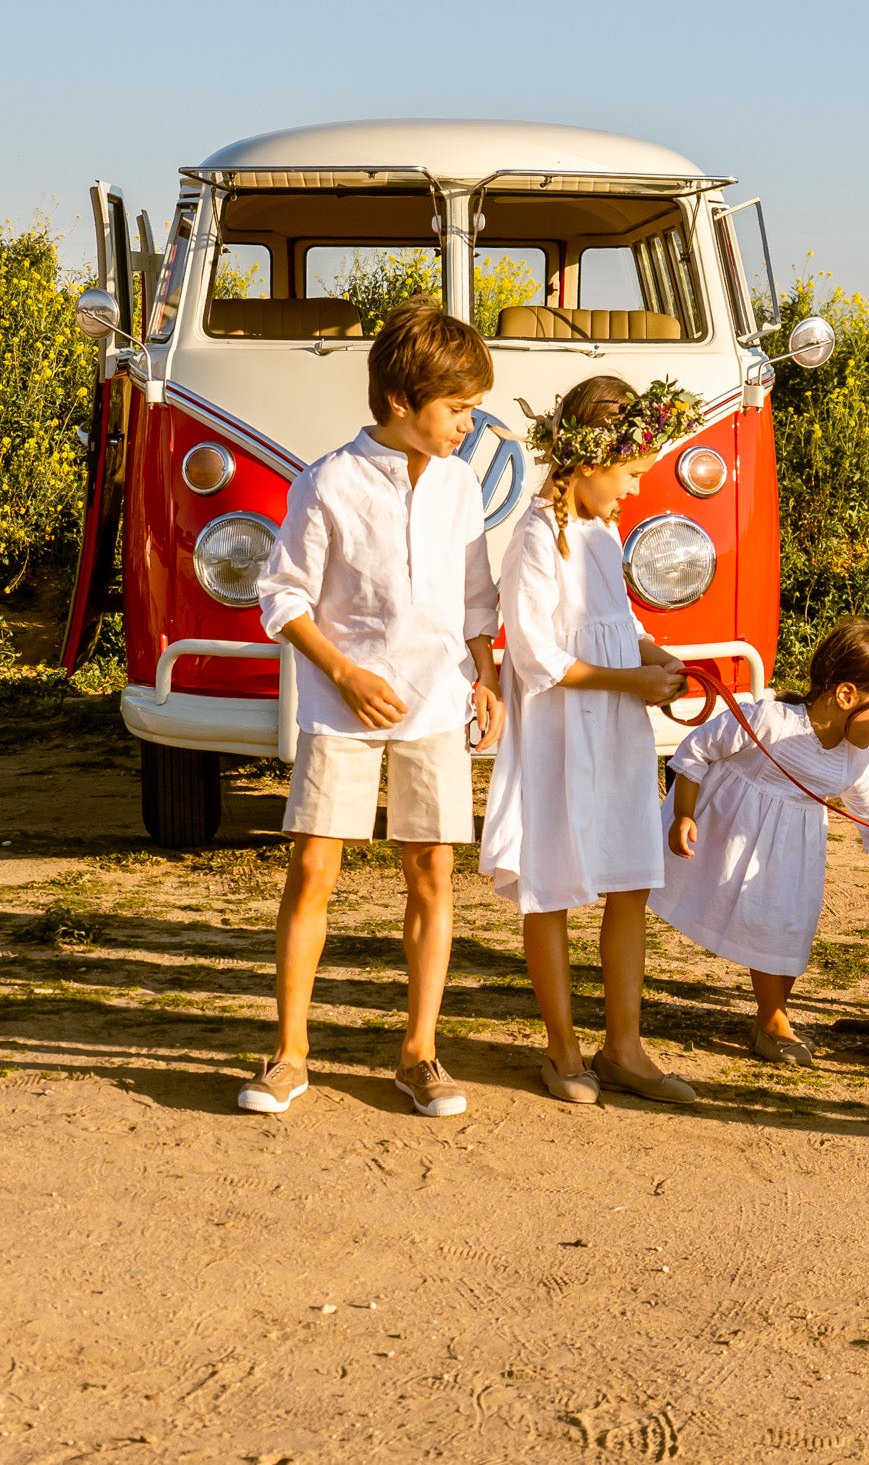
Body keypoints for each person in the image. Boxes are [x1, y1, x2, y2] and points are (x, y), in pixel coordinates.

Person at [237, 295, 505, 1120]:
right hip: (341, 703)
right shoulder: (328, 482)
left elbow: (474, 598)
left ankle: (420, 1052)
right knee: (314, 867)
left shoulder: (461, 485)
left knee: (432, 869)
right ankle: (289, 1052)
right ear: (401, 402)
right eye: (458, 408)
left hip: (436, 701)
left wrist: (486, 675)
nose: (467, 423)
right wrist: (346, 674)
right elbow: (280, 598)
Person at [482, 375, 702, 1106]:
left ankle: (625, 1045)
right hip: (559, 732)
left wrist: (651, 653)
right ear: (593, 457)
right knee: (548, 885)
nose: (635, 492)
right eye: (632, 474)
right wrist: (626, 682)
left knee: (630, 878)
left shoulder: (603, 536)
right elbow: (538, 656)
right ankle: (562, 1044)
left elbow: (614, 623)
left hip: (616, 729)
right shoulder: (537, 538)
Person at [654, 620, 869, 1064]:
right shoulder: (770, 720)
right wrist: (683, 813)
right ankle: (773, 1021)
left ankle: (771, 1017)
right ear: (847, 695)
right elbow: (696, 752)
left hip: (793, 853)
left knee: (789, 928)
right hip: (730, 833)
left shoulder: (855, 759)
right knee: (763, 918)